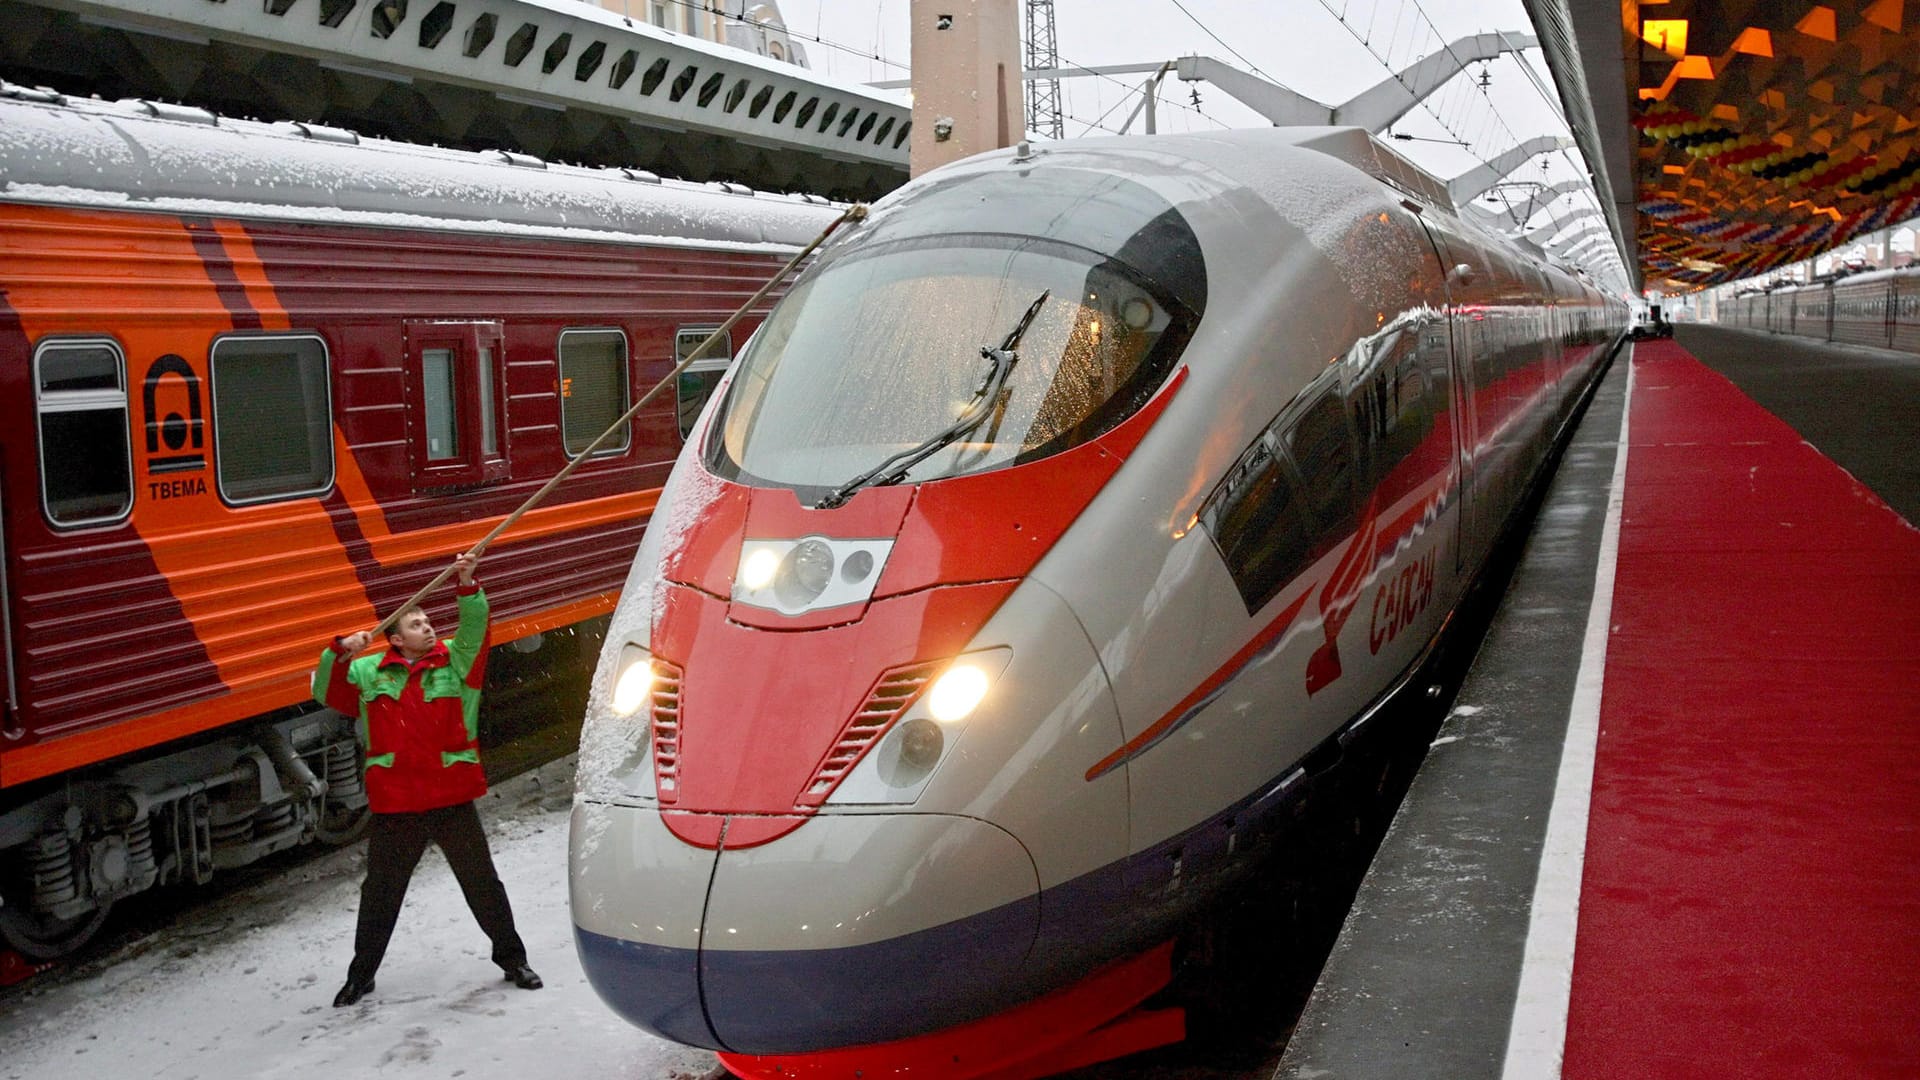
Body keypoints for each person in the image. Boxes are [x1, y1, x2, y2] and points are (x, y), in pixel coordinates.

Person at [313, 551, 542, 1007]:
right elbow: (326, 691)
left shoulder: (457, 664)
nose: (428, 627)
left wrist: (466, 582)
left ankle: (513, 959)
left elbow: (475, 626)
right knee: (380, 894)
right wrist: (340, 653)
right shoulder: (365, 672)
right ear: (394, 639)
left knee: (482, 884)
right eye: (415, 624)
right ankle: (362, 975)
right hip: (398, 805)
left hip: (450, 798)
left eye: (428, 621)